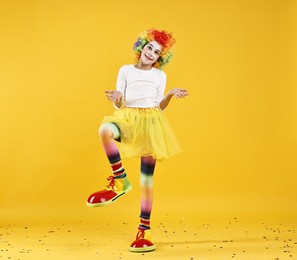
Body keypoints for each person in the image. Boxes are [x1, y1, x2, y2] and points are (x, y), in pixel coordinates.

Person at [86, 28, 188, 252]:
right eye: (149, 47)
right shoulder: (125, 70)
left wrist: (169, 94)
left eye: (157, 52)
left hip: (150, 123)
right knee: (105, 129)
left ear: (160, 58)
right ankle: (120, 180)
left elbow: (158, 105)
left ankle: (145, 230)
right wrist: (118, 97)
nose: (151, 53)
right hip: (128, 119)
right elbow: (118, 103)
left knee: (147, 182)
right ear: (142, 47)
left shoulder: (159, 76)